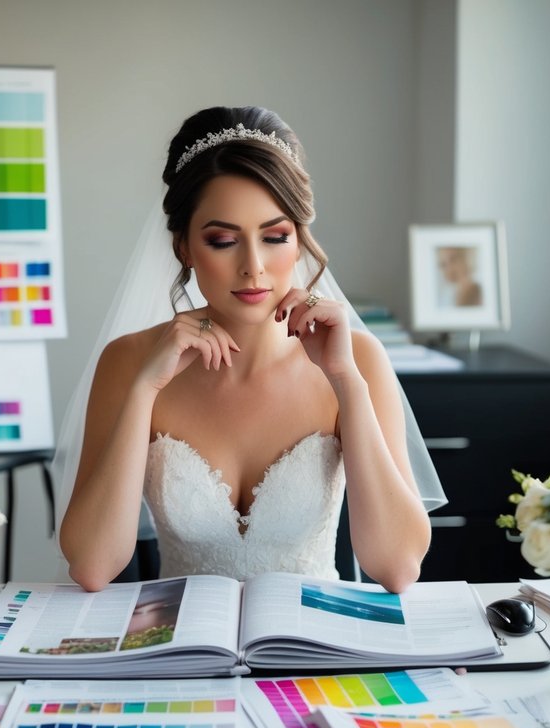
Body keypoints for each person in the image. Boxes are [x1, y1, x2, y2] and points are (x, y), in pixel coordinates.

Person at [58, 106, 442, 593]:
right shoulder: (130, 362)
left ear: (299, 241)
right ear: (184, 248)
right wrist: (145, 390)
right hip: (182, 656)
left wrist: (344, 380)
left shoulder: (358, 361)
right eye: (222, 240)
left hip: (311, 655)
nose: (253, 267)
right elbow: (92, 567)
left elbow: (398, 568)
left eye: (276, 237)